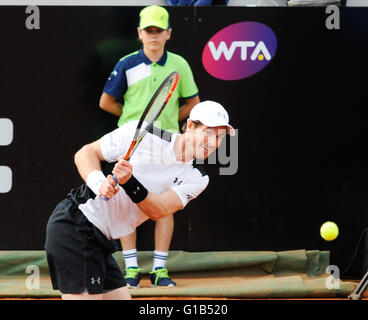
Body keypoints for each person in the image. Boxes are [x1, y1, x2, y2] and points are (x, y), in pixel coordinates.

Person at [44, 101, 235, 300]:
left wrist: (129, 182)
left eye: (220, 136)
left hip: (100, 242)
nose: (213, 143)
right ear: (189, 126)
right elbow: (85, 153)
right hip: (74, 225)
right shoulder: (142, 133)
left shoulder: (198, 178)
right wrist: (98, 182)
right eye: (208, 132)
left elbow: (159, 209)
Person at [99, 5, 200, 288]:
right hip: (132, 144)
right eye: (149, 31)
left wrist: (164, 121)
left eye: (159, 30)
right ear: (139, 33)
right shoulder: (126, 63)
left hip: (169, 145)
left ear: (169, 33)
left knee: (164, 207)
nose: (154, 36)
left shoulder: (179, 64)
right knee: (124, 201)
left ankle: (159, 269)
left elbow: (193, 104)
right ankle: (130, 268)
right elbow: (106, 102)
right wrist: (132, 125)